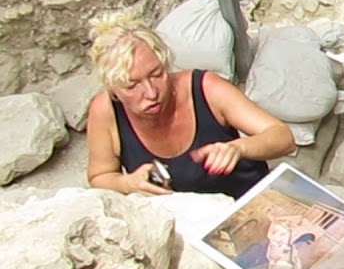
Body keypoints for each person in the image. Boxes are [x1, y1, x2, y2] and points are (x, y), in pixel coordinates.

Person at [85, 14, 296, 199]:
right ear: (114, 90)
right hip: (183, 220)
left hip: (245, 205)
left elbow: (283, 138)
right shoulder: (105, 111)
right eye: (132, 85)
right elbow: (100, 176)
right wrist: (128, 183)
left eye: (157, 75)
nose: (151, 93)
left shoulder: (206, 89)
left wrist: (238, 148)